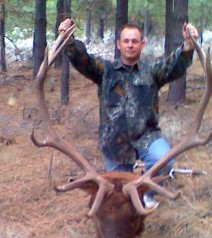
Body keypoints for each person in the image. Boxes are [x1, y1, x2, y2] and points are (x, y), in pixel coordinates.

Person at [58, 19, 199, 208]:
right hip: (115, 142)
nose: (130, 45)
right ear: (119, 44)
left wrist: (188, 46)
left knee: (164, 160)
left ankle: (147, 193)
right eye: (126, 41)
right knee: (118, 196)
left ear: (142, 44)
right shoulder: (104, 71)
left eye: (134, 41)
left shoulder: (152, 72)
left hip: (146, 136)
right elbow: (84, 61)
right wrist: (69, 40)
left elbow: (173, 65)